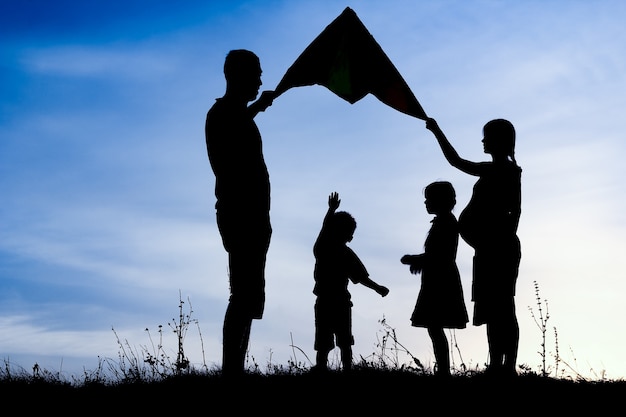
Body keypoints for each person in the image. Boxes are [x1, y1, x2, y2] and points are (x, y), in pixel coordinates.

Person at [425, 117, 522, 378]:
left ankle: (507, 366)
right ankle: (496, 365)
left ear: (499, 140)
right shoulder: (494, 170)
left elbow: (514, 212)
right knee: (492, 309)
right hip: (487, 249)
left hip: (497, 249)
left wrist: (437, 131)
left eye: (487, 136)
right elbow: (457, 161)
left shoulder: (506, 172)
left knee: (502, 307)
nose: (483, 141)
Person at [204, 49, 276, 376]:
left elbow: (239, 120)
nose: (261, 79)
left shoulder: (233, 115)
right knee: (243, 296)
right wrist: (256, 108)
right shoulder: (221, 114)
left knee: (248, 298)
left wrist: (258, 107)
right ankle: (232, 370)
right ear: (238, 75)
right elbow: (233, 130)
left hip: (254, 217)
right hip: (240, 215)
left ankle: (236, 368)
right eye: (256, 73)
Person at [312, 192, 389, 372]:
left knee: (331, 340)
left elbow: (361, 276)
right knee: (338, 340)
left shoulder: (325, 249)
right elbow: (361, 277)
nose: (351, 237)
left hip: (331, 301)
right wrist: (377, 288)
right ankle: (341, 368)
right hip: (336, 301)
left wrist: (331, 210)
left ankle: (327, 367)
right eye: (349, 233)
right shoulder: (332, 250)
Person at [401, 181, 469, 378]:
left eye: (428, 199)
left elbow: (440, 255)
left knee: (435, 325)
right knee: (434, 326)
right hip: (438, 278)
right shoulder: (444, 222)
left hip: (441, 281)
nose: (425, 203)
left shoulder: (446, 223)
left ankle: (444, 371)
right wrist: (419, 261)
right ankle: (443, 370)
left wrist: (416, 259)